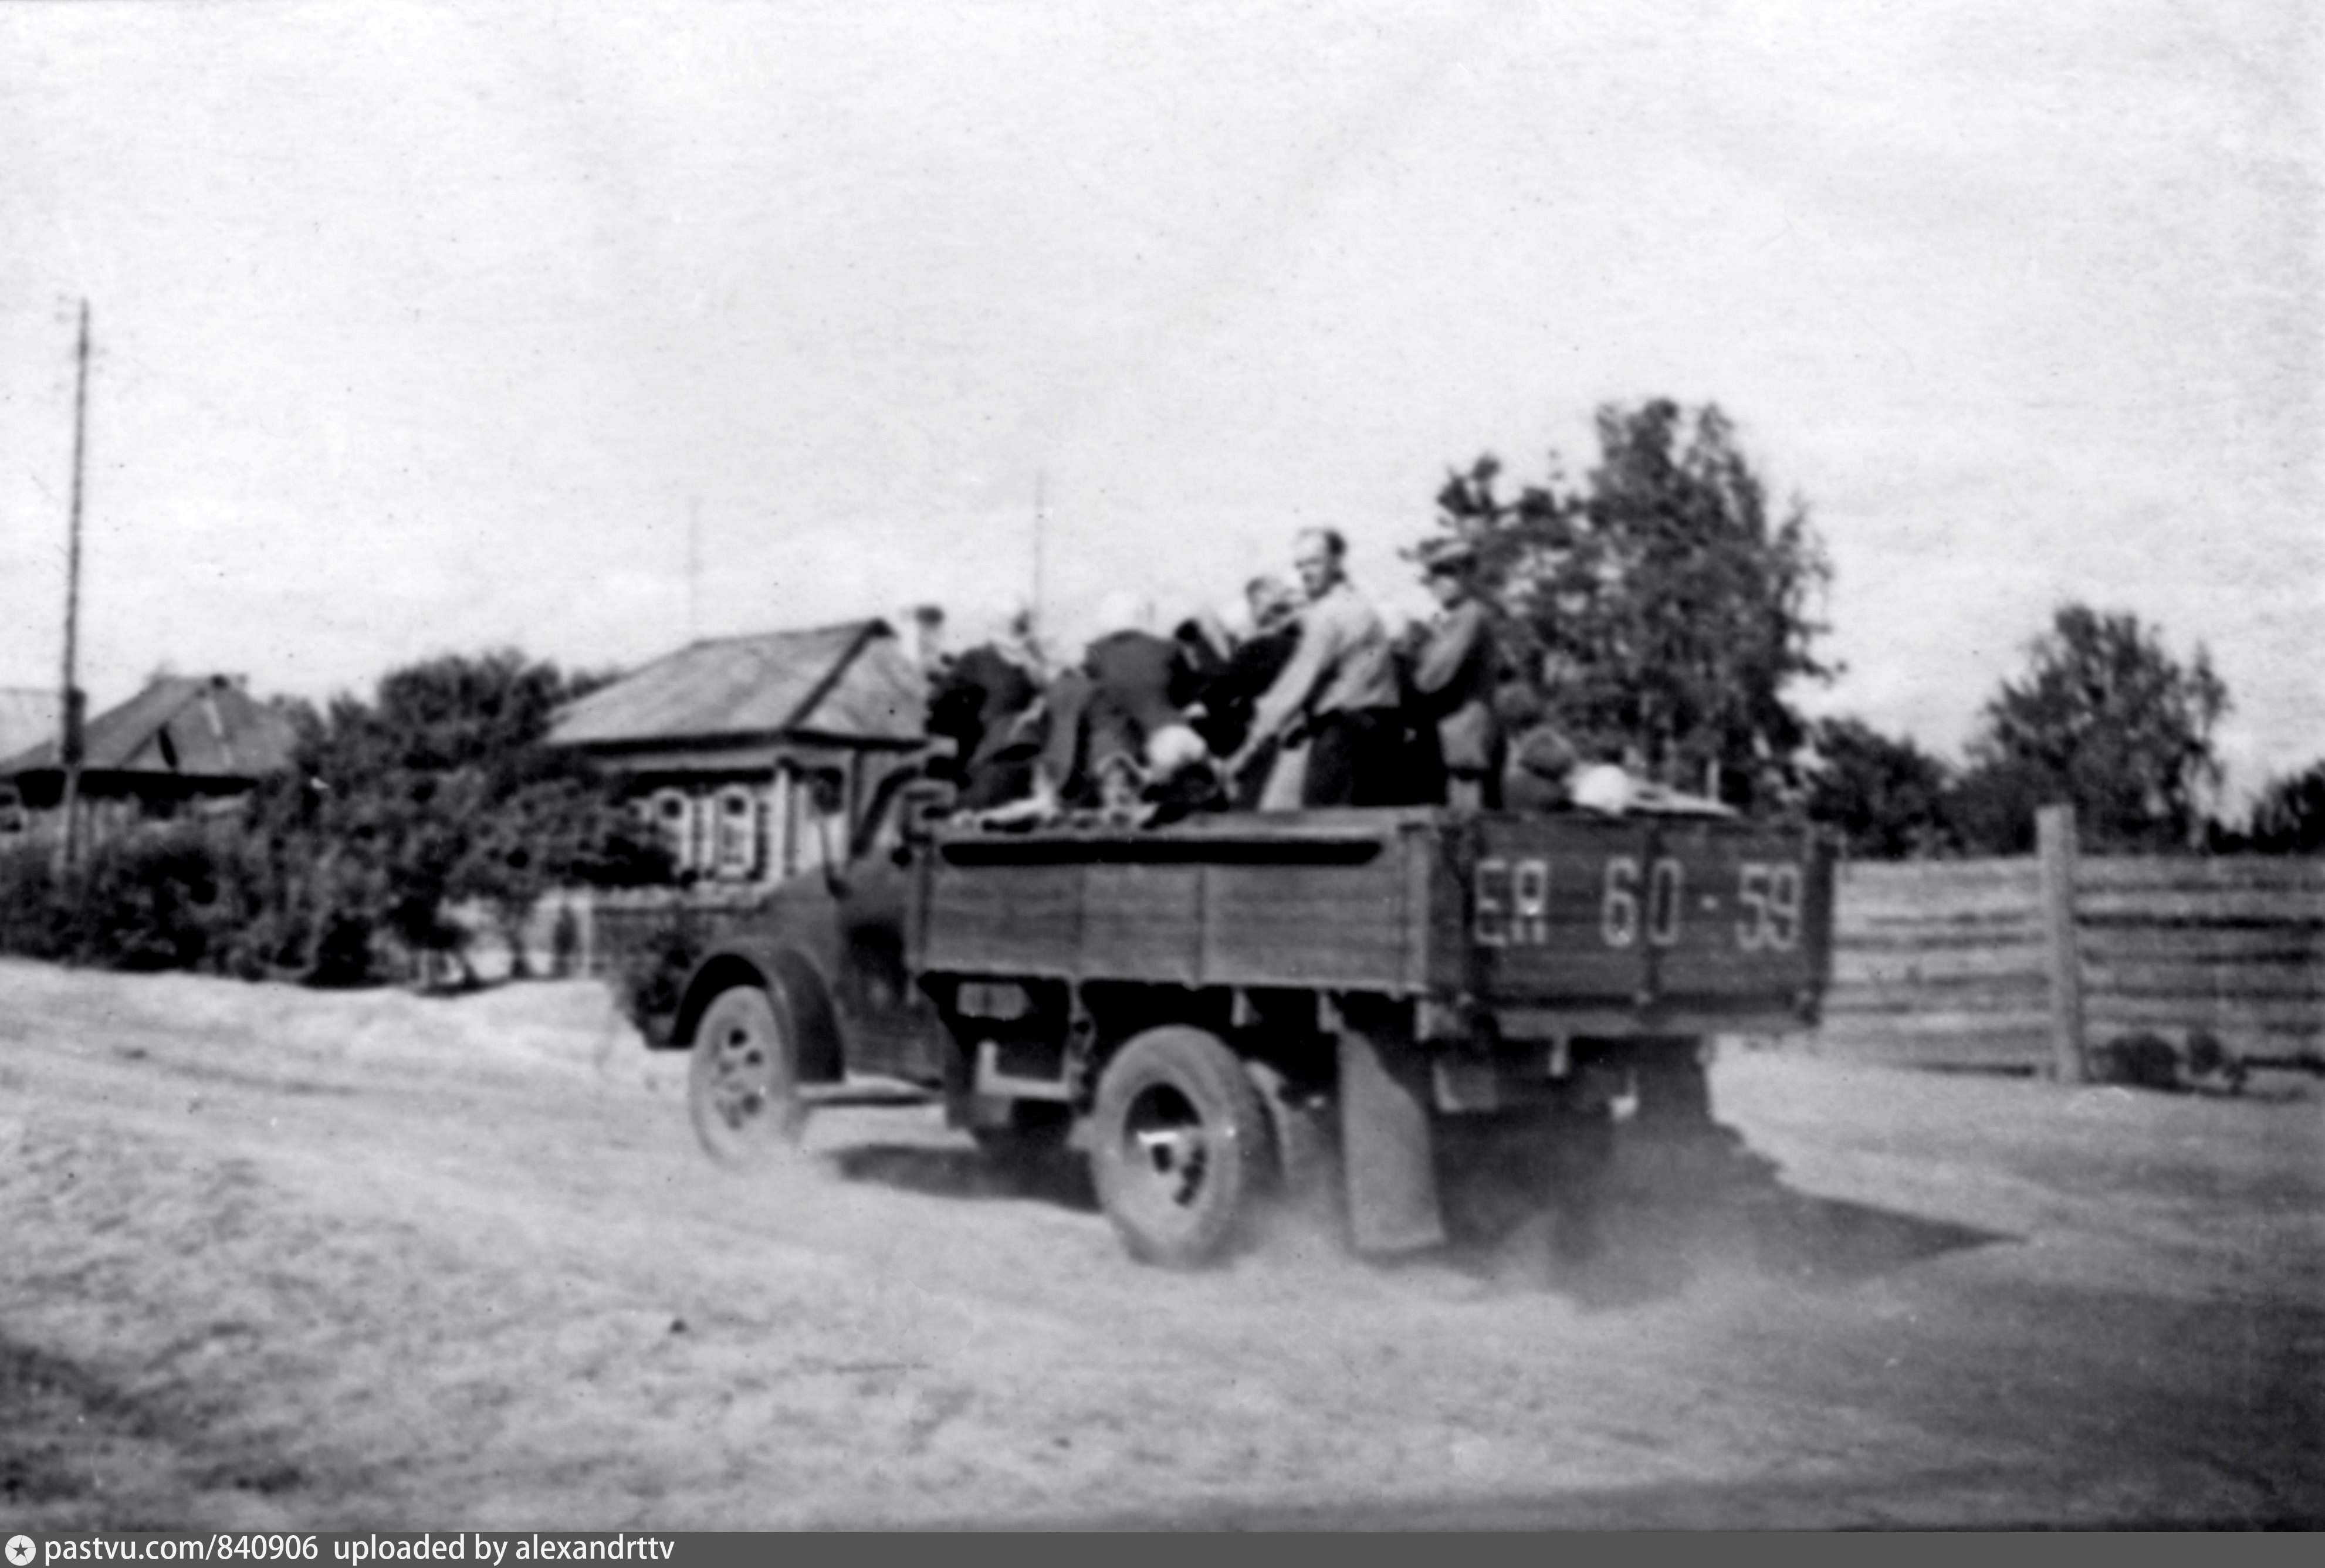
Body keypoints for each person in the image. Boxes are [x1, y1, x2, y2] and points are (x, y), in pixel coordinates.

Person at [1228, 529, 1405, 807]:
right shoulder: (1360, 604)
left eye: (1314, 562)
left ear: (1337, 561)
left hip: (1344, 736)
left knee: (1323, 823)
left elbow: (1296, 684)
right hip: (1382, 732)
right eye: (1300, 565)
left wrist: (1251, 743)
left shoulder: (1329, 613)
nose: (1305, 573)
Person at [1403, 537, 1504, 809]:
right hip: (1457, 736)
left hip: (1462, 739)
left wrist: (1410, 659)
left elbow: (1430, 678)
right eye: (1434, 576)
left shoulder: (1469, 616)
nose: (1438, 583)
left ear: (1469, 576)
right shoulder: (1459, 618)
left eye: (1449, 574)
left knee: (1464, 820)